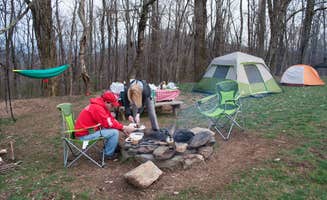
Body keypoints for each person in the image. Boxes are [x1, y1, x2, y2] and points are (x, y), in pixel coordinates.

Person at [74, 91, 136, 159]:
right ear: (106, 102)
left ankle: (111, 147)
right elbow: (108, 123)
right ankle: (108, 154)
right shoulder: (98, 108)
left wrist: (122, 129)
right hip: (84, 135)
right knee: (114, 133)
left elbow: (111, 119)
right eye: (112, 105)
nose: (113, 107)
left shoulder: (100, 105)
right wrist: (125, 127)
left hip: (88, 131)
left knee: (111, 129)